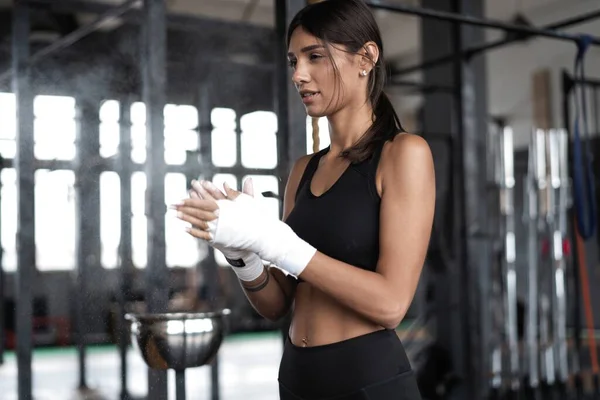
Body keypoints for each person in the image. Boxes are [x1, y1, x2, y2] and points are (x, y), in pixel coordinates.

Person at [173, 0, 435, 398]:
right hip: (297, 376)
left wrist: (273, 241)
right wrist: (243, 255)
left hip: (366, 378)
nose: (298, 74)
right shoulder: (303, 170)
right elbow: (277, 304)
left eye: (315, 57)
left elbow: (391, 305)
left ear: (366, 57)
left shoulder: (403, 154)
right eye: (294, 60)